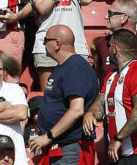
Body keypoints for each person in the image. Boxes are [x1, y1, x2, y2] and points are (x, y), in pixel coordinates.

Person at [82, 28, 137, 165]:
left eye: (109, 46)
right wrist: (91, 113)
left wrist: (119, 138)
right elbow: (101, 101)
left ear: (115, 48)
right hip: (119, 153)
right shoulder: (111, 76)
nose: (107, 51)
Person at [28, 25, 99, 164]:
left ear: (57, 43)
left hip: (68, 147)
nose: (44, 44)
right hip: (61, 146)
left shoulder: (75, 67)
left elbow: (76, 110)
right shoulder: (64, 66)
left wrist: (48, 136)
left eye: (46, 40)